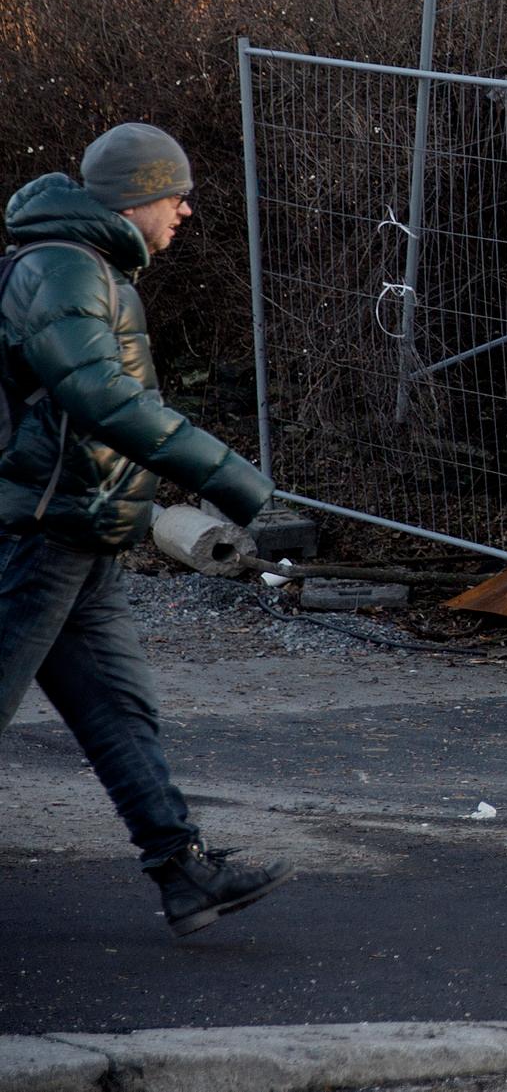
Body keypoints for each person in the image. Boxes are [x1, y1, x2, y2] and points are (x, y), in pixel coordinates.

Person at [1, 124, 294, 934]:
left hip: (81, 535)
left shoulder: (83, 265)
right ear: (138, 194)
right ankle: (182, 868)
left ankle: (183, 872)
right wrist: (228, 475)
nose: (187, 210)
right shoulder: (63, 267)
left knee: (119, 711)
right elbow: (102, 398)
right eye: (176, 194)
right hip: (42, 534)